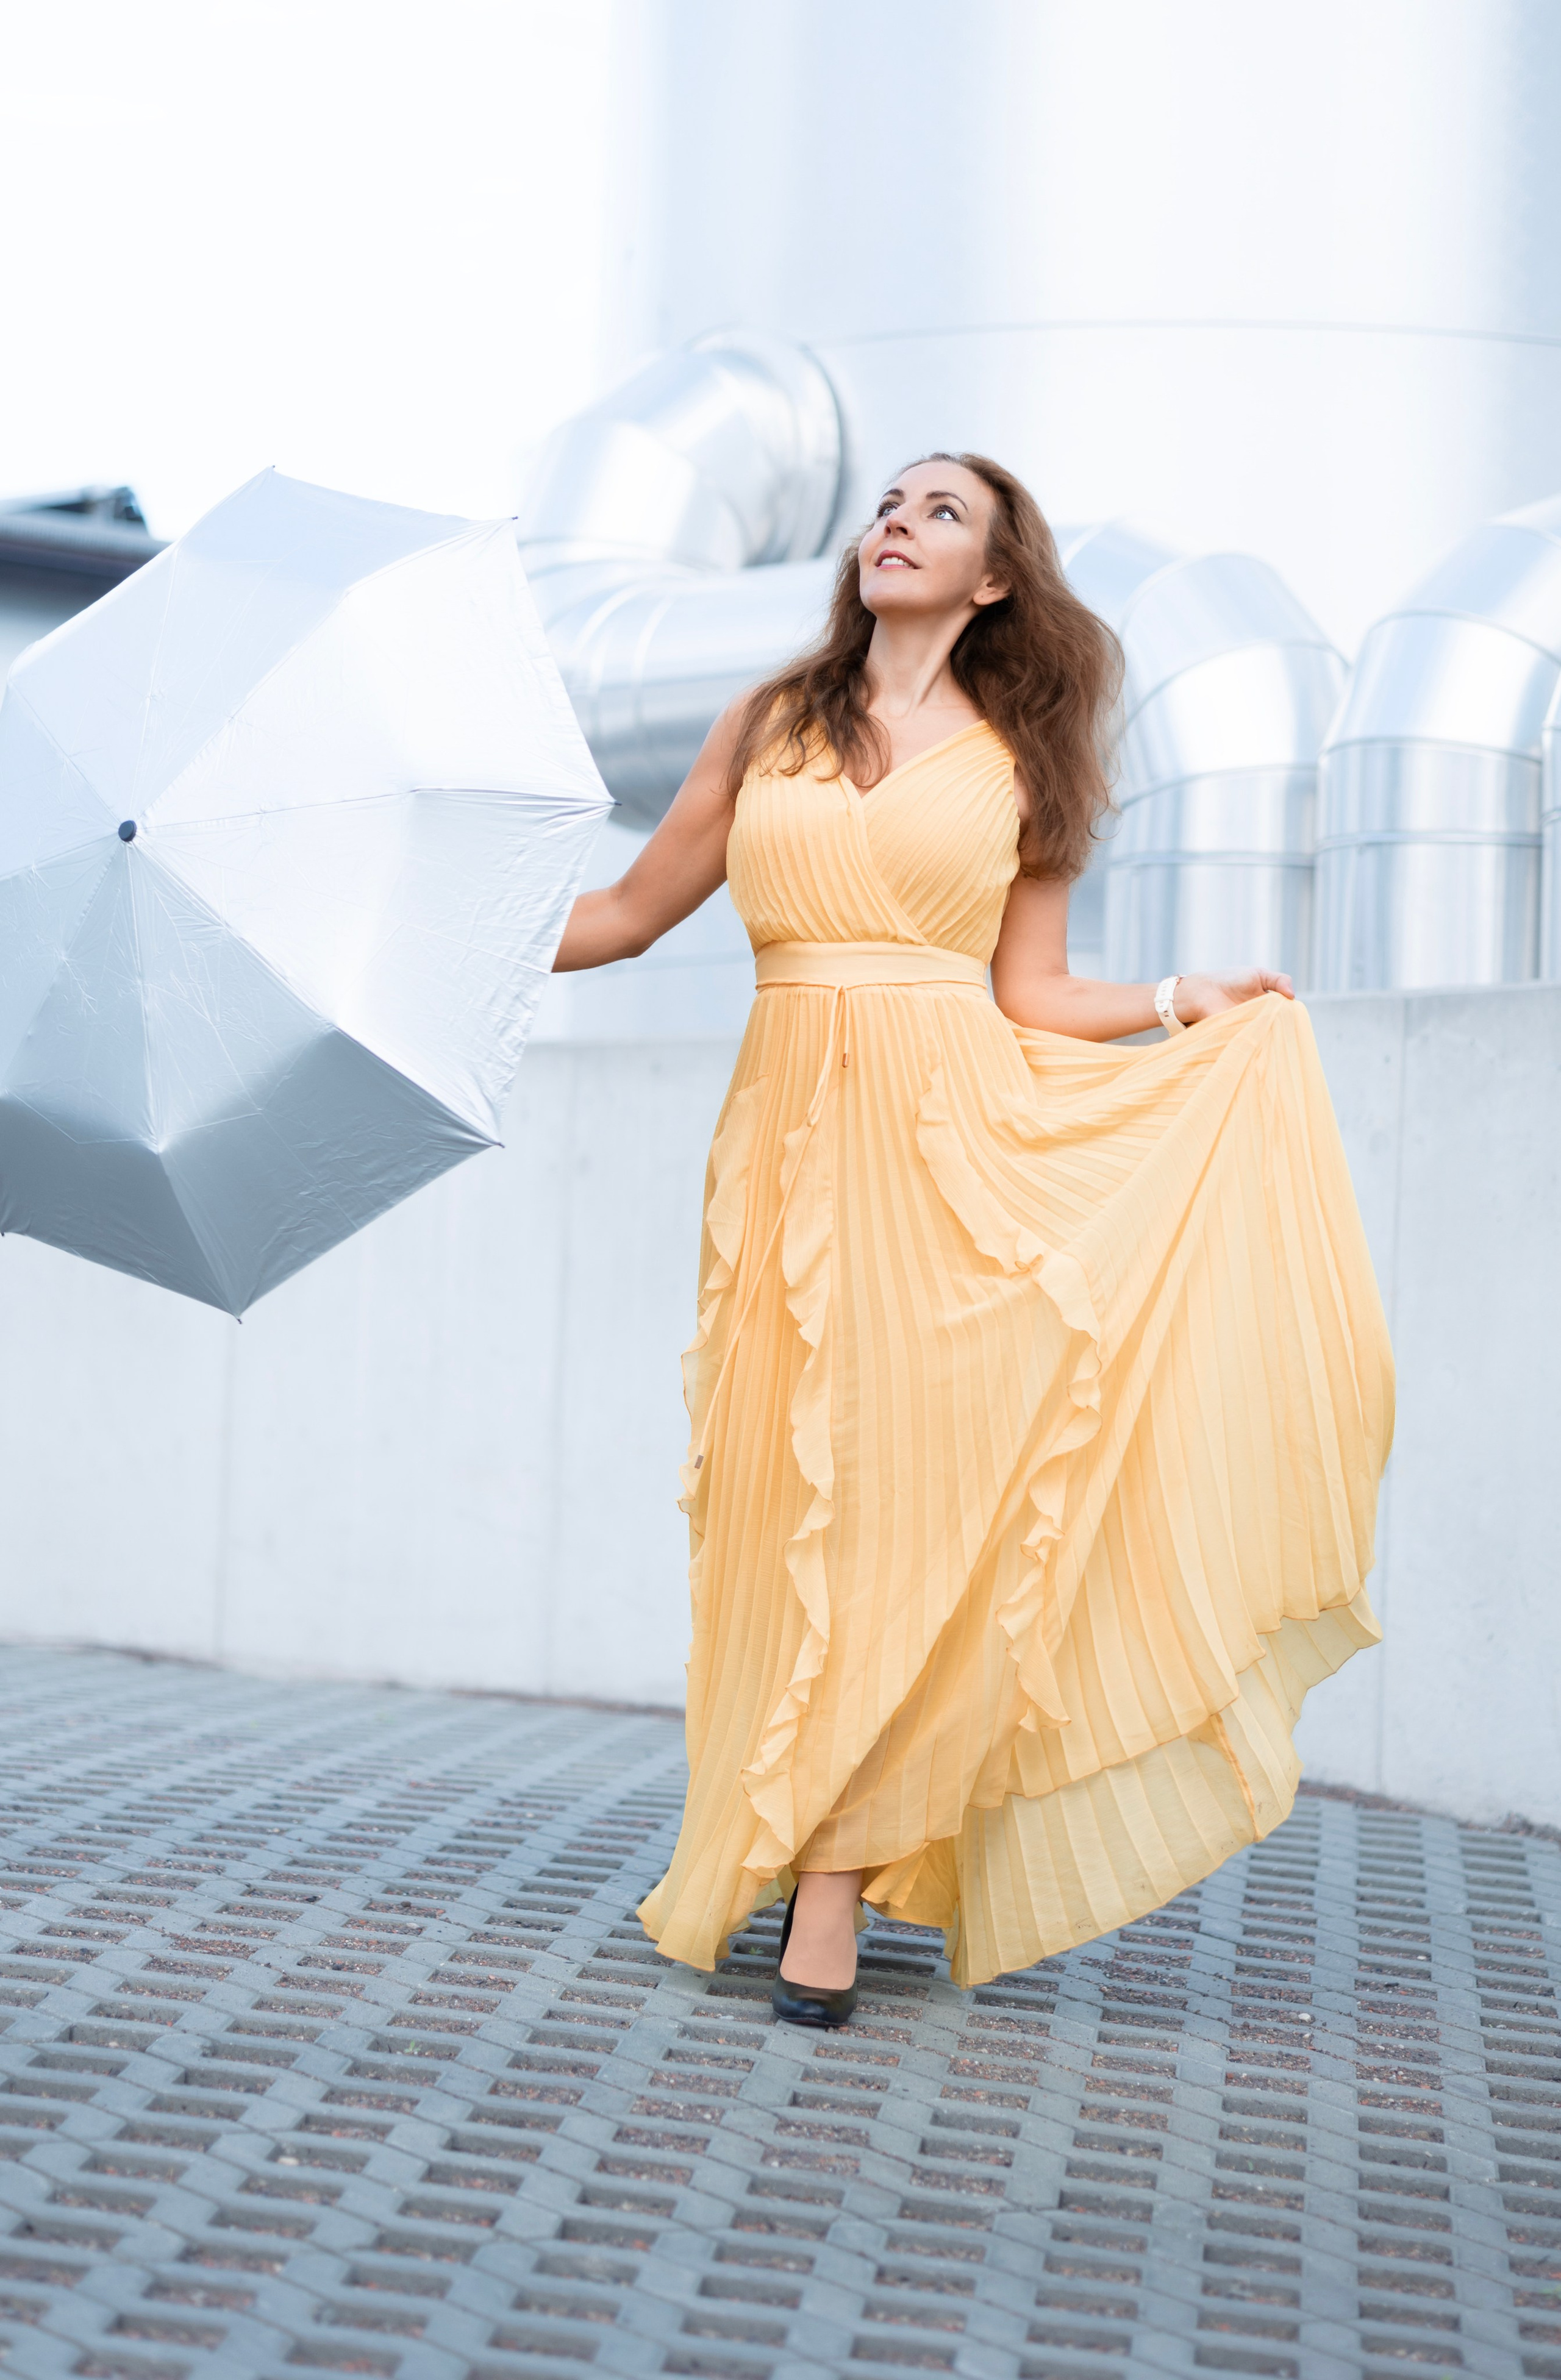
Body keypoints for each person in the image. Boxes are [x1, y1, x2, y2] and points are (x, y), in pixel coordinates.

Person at [551, 453, 1392, 2028]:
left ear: (996, 577)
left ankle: (834, 1886)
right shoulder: (769, 724)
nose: (896, 525)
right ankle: (767, 1826)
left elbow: (1031, 994)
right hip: (784, 1154)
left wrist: (1172, 1005)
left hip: (954, 1157)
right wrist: (459, 922)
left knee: (896, 1514)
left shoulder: (1026, 761)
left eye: (941, 515)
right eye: (888, 505)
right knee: (772, 1501)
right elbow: (623, 913)